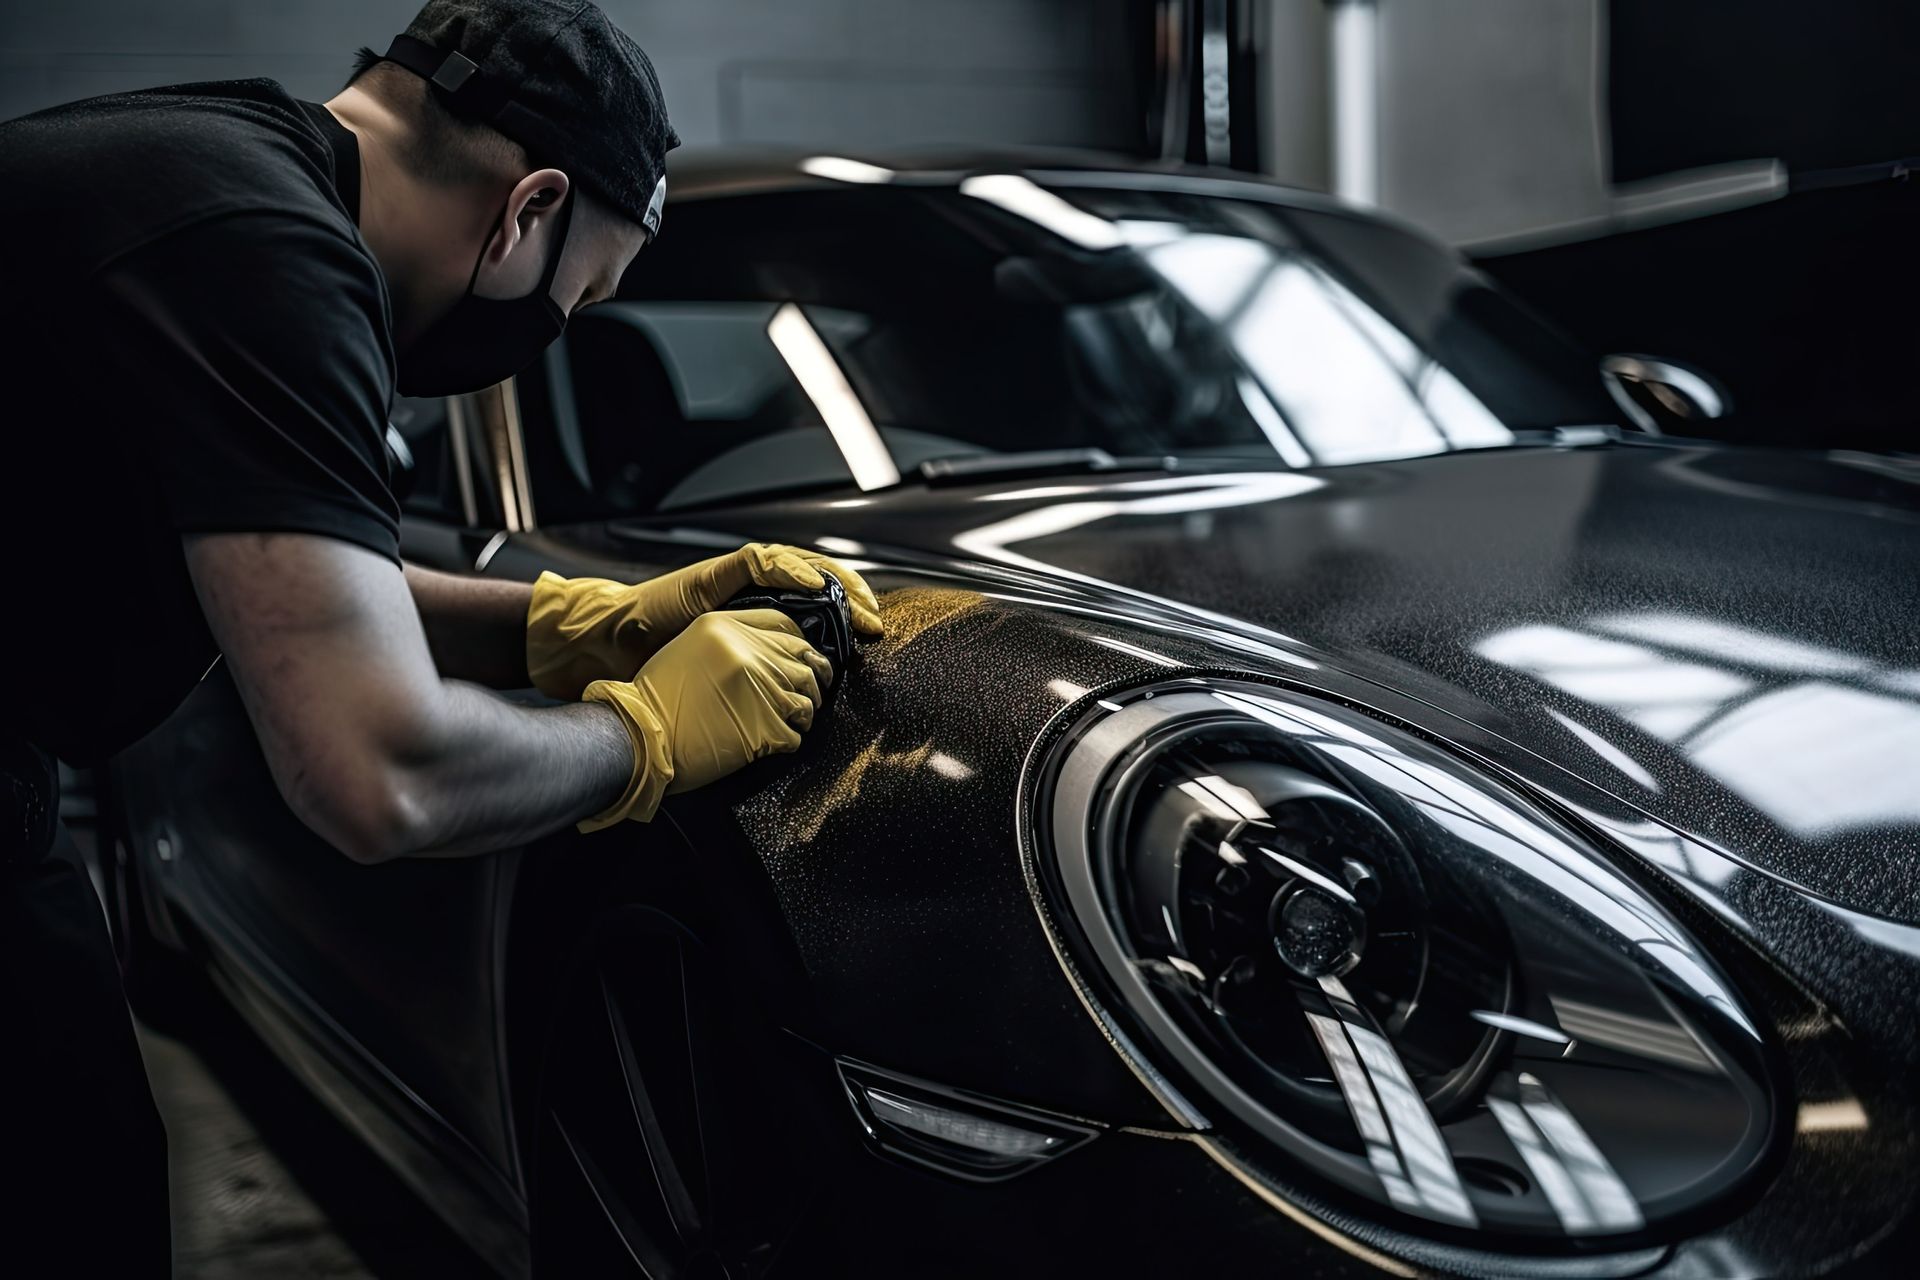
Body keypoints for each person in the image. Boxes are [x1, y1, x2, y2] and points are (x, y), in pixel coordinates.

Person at [0, 0, 883, 1271]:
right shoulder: (275, 263)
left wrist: (578, 622)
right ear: (527, 209)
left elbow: (290, 584)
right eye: (573, 302)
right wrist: (639, 734)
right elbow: (376, 771)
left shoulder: (215, 165)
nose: (548, 337)